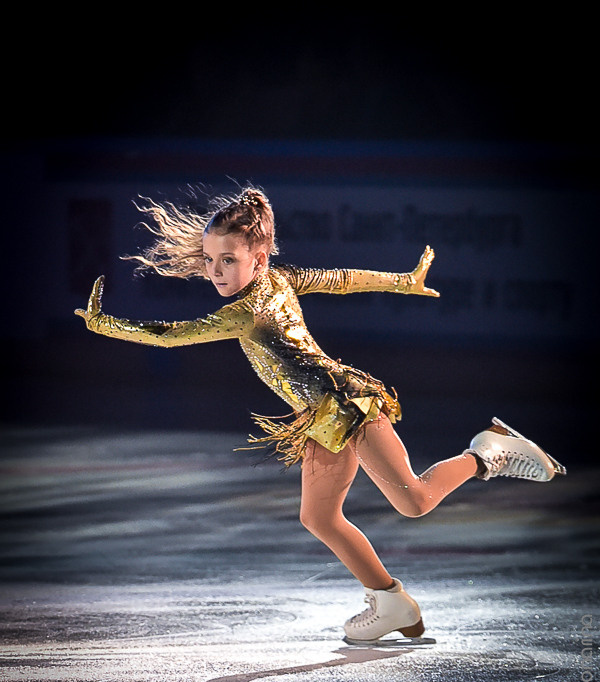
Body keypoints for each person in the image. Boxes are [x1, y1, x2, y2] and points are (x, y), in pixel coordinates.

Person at [75, 186, 566, 644]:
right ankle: (390, 600)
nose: (216, 271)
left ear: (259, 259)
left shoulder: (244, 312)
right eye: (209, 260)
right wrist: (401, 281)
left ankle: (488, 450)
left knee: (414, 501)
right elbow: (344, 279)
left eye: (228, 260)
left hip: (347, 403)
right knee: (319, 516)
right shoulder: (281, 279)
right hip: (320, 417)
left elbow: (173, 334)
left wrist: (104, 324)